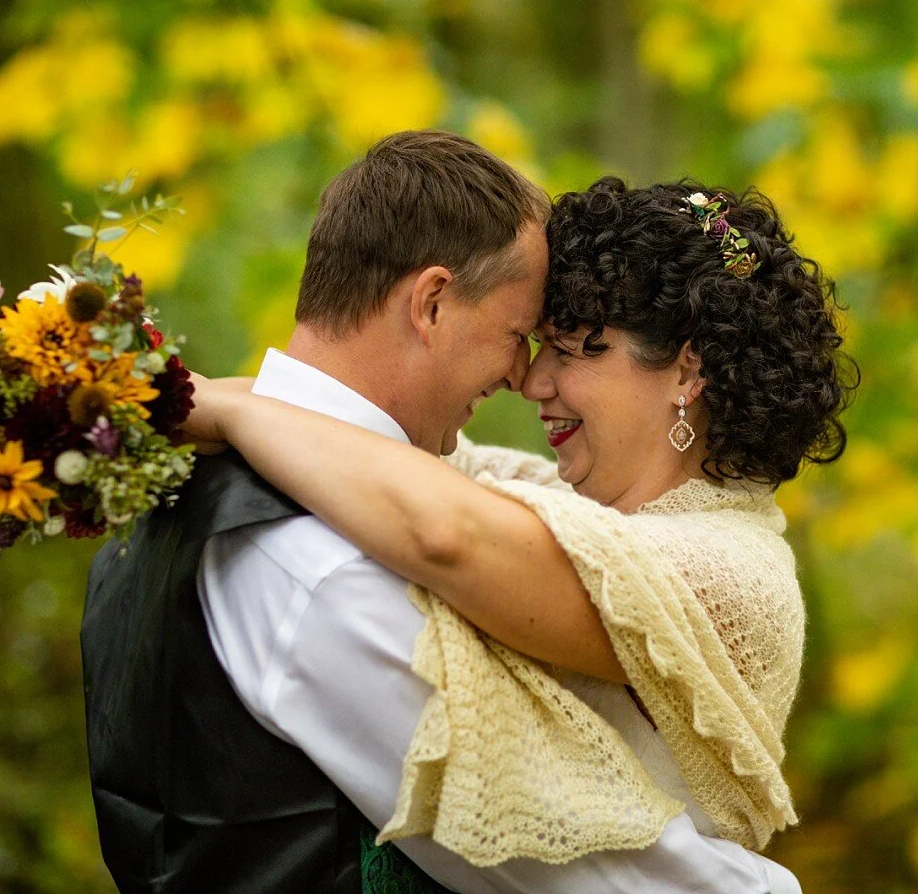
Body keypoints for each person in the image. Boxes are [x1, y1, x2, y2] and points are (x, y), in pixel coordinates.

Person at [181, 176, 857, 891]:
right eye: (540, 345)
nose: (534, 380)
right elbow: (363, 438)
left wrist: (223, 413)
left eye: (579, 350)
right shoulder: (558, 497)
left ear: (687, 369)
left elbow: (448, 530)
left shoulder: (736, 572)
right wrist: (123, 381)